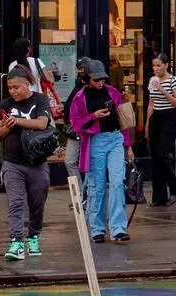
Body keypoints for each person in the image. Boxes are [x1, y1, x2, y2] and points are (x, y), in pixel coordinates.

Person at [69, 59, 133, 244]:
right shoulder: (80, 97)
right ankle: (97, 228)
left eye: (102, 79)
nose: (100, 82)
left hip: (114, 139)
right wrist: (93, 116)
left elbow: (122, 121)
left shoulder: (112, 92)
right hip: (95, 141)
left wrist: (127, 146)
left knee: (117, 183)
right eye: (96, 79)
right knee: (96, 186)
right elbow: (75, 124)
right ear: (86, 78)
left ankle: (118, 229)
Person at [0, 67, 53, 260]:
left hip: (37, 162)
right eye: (9, 88)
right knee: (15, 202)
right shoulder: (5, 104)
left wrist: (16, 121)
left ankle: (33, 237)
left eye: (16, 87)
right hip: (12, 162)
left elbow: (42, 124)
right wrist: (7, 128)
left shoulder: (40, 100)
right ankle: (16, 242)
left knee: (37, 203)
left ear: (27, 85)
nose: (12, 91)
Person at [146, 52, 176, 206]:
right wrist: (148, 124)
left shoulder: (173, 81)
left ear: (166, 65)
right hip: (156, 117)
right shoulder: (152, 80)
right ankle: (158, 196)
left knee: (162, 155)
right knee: (155, 157)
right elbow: (151, 103)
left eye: (159, 65)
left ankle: (175, 185)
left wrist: (162, 90)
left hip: (170, 118)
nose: (156, 68)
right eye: (154, 65)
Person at [63, 57, 93, 194]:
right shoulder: (79, 84)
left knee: (85, 162)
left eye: (82, 69)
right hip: (74, 128)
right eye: (79, 69)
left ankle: (85, 194)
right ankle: (81, 194)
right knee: (70, 161)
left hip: (84, 129)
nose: (80, 72)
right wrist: (64, 108)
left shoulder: (90, 86)